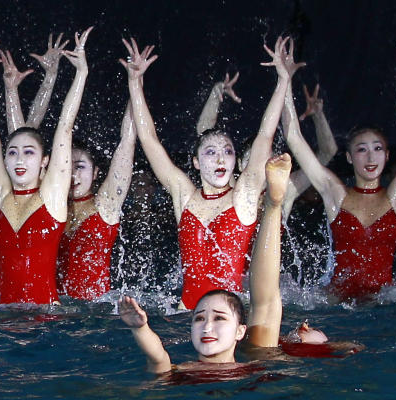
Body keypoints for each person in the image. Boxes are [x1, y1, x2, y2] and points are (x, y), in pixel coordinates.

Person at [124, 36, 303, 309]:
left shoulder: (243, 195)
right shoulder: (184, 195)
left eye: (227, 152)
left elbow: (265, 136)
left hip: (229, 319)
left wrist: (282, 81)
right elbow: (149, 140)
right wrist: (135, 83)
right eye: (210, 152)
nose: (220, 158)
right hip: (184, 317)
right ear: (195, 162)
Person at [281, 37, 396, 300]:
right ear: (350, 158)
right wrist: (284, 80)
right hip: (337, 307)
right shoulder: (335, 194)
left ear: (386, 156)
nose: (370, 156)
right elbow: (294, 138)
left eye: (377, 148)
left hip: (382, 306)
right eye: (361, 149)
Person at [118, 154, 291, 375]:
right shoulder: (180, 372)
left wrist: (273, 205)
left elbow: (263, 301)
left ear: (240, 331)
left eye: (219, 317)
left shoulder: (256, 365)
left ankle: (273, 206)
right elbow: (158, 357)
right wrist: (140, 328)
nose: (207, 327)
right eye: (199, 318)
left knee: (263, 327)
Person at [0, 28, 91, 304]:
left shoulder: (51, 196)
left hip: (46, 323)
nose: (20, 160)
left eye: (28, 152)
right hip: (0, 323)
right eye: (12, 153)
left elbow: (65, 125)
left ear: (44, 161)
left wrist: (81, 73)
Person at [196, 74, 339, 220]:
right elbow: (204, 136)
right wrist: (216, 93)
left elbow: (327, 153)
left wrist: (318, 116)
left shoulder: (286, 190)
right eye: (253, 160)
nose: (260, 167)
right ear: (238, 164)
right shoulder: (231, 188)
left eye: (268, 161)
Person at [57, 103, 136, 300]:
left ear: (95, 173)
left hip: (95, 313)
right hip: (55, 310)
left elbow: (127, 143)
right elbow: (23, 140)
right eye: (68, 167)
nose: (73, 174)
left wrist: (136, 83)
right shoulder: (51, 207)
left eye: (81, 167)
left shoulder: (106, 205)